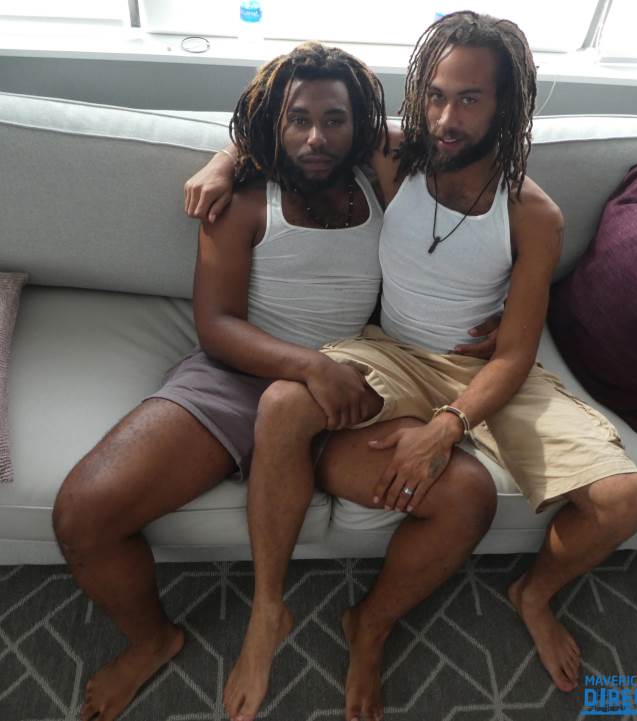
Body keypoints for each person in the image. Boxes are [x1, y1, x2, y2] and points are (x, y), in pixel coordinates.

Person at [190, 12, 637, 721]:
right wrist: (221, 163)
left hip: (481, 372)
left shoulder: (535, 215)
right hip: (391, 352)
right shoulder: (392, 154)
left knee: (624, 501)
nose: (444, 119)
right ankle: (267, 608)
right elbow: (286, 125)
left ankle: (509, 597)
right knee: (284, 402)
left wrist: (448, 426)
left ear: (506, 103)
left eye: (468, 99)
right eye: (434, 96)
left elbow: (515, 354)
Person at [51, 42, 497, 721]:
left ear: (359, 125)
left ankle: (369, 626)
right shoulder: (243, 201)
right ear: (274, 123)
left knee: (468, 496)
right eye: (298, 119)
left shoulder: (384, 181)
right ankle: (153, 639)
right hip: (238, 378)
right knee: (83, 514)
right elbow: (216, 324)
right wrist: (308, 364)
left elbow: (468, 183)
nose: (316, 137)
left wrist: (490, 311)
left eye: (334, 120)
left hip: (352, 387)